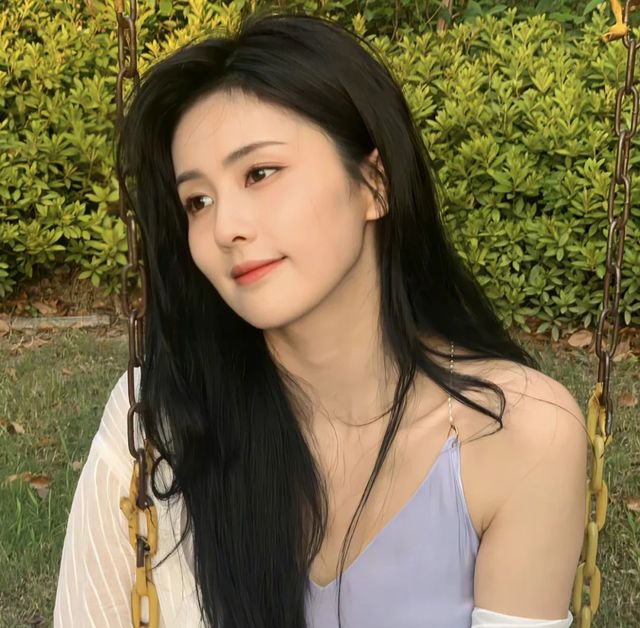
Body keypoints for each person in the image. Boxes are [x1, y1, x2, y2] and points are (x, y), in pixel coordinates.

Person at [54, 9, 588, 628]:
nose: (225, 227)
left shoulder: (518, 433)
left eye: (260, 173)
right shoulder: (160, 420)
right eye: (197, 201)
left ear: (374, 184)